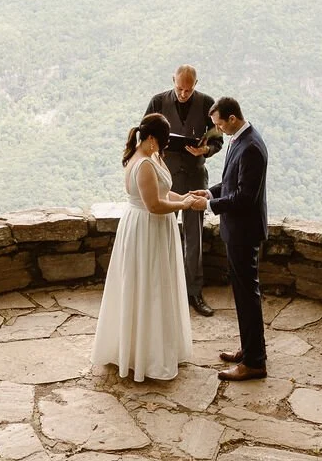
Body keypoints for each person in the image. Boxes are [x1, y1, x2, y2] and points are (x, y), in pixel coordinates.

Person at [91, 112, 207, 382]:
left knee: (155, 285)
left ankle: (153, 347)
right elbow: (154, 205)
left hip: (153, 227)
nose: (165, 147)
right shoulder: (142, 164)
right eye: (164, 142)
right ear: (152, 139)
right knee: (149, 287)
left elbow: (164, 192)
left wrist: (185, 195)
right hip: (146, 228)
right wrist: (184, 206)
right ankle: (145, 355)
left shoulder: (151, 156)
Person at [145, 65, 223, 316]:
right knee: (161, 232)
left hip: (194, 176)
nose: (183, 93)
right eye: (179, 88)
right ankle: (162, 290)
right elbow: (144, 135)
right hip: (165, 175)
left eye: (189, 89)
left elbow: (217, 139)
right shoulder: (157, 101)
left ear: (196, 84)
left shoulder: (207, 104)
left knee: (194, 236)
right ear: (173, 81)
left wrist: (205, 150)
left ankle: (194, 293)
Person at [208, 96, 268, 381]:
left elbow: (244, 197)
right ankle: (248, 349)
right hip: (236, 230)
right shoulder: (239, 141)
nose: (219, 130)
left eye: (220, 124)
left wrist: (210, 206)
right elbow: (231, 183)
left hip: (244, 232)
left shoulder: (252, 147)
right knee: (243, 294)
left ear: (233, 118)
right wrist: (208, 193)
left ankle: (255, 362)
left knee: (247, 295)